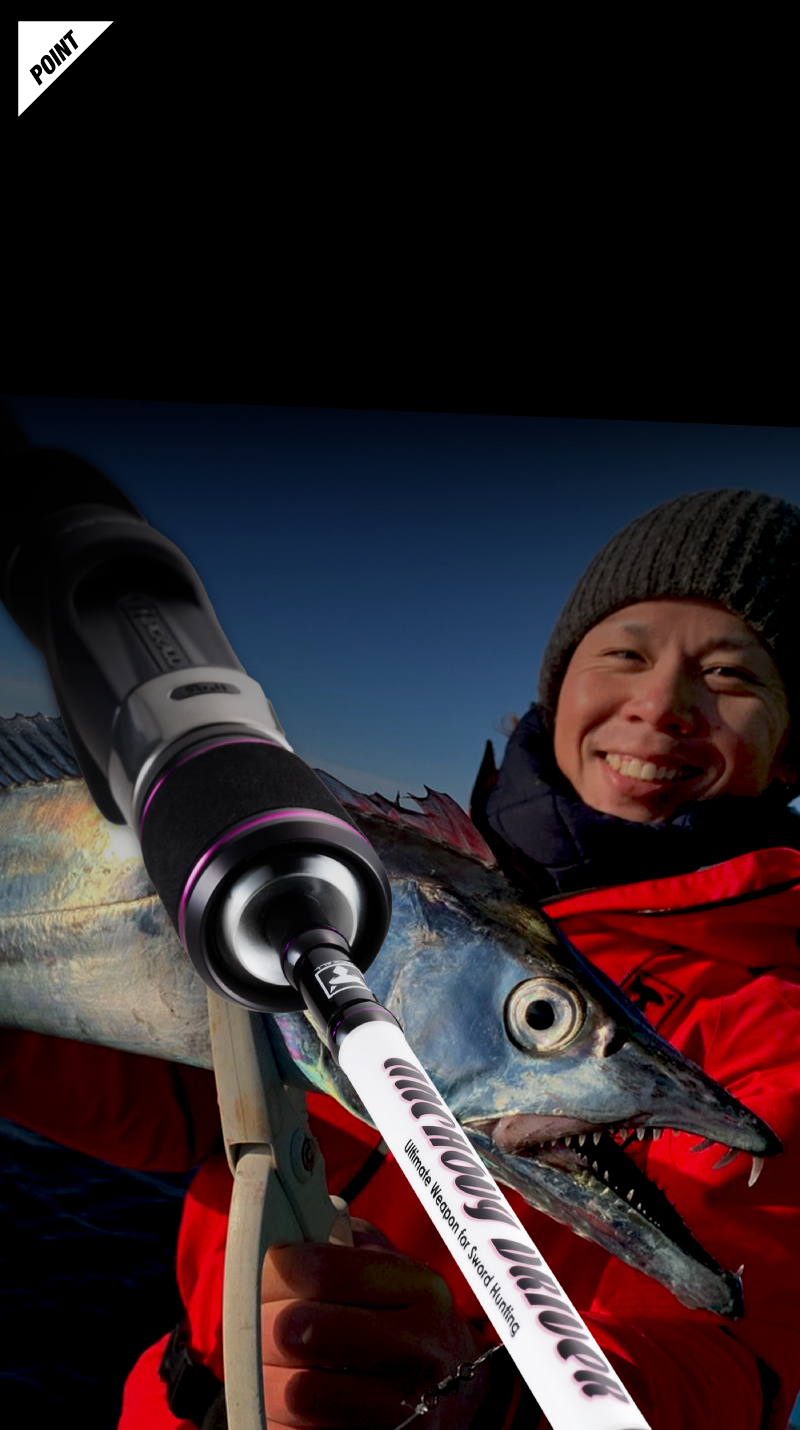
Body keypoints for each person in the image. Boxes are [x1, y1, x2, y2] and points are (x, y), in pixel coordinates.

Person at [4, 487, 800, 1430]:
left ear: (793, 752)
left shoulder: (774, 1025)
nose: (661, 704)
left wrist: (490, 1404)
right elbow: (187, 1102)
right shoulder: (357, 867)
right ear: (558, 690)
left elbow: (734, 1362)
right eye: (625, 654)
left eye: (731, 675)